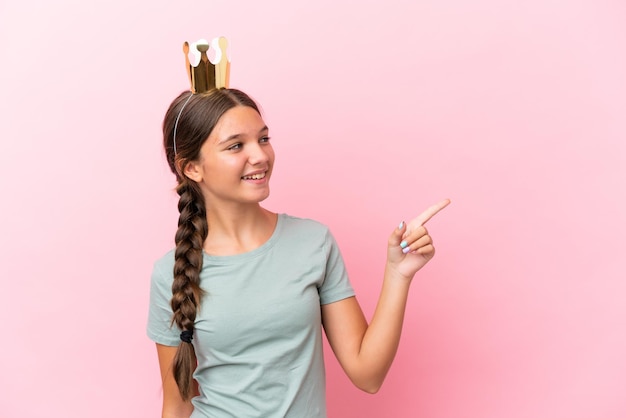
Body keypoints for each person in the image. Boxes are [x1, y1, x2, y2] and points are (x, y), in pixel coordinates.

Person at [147, 87, 450, 418]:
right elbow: (177, 405)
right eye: (236, 146)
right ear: (192, 168)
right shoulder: (171, 273)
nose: (260, 156)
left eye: (263, 139)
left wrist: (398, 274)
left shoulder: (312, 242)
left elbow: (368, 375)